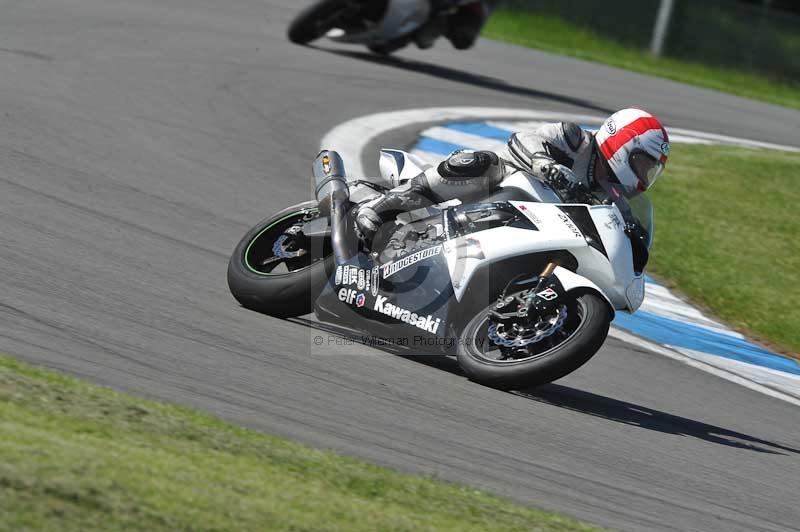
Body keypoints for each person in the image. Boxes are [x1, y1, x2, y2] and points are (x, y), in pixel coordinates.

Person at [355, 108, 670, 259]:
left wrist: (636, 243)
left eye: (650, 171)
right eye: (643, 164)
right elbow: (525, 138)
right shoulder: (577, 140)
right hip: (499, 186)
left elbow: (625, 226)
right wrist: (545, 164)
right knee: (482, 164)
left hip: (532, 226)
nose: (643, 176)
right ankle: (377, 209)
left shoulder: (610, 195)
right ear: (623, 145)